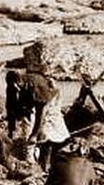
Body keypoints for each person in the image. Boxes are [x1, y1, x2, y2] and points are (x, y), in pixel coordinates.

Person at [5, 41, 70, 171]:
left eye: (17, 88)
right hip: (32, 103)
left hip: (49, 99)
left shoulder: (36, 86)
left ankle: (45, 163)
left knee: (46, 133)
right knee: (26, 129)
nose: (15, 90)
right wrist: (11, 128)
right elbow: (10, 107)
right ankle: (34, 158)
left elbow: (42, 112)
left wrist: (34, 135)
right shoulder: (12, 86)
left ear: (22, 84)